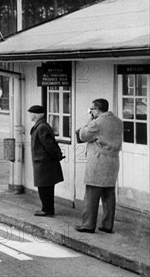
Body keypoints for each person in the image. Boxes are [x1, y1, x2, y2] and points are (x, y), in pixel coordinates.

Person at [75, 98, 123, 234]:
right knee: (109, 193)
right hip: (113, 162)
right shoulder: (118, 121)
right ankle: (107, 225)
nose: (91, 111)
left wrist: (88, 119)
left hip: (98, 162)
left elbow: (82, 135)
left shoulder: (97, 123)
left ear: (97, 109)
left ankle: (88, 225)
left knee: (92, 194)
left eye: (92, 109)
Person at [28, 105, 64, 216]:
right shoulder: (41, 125)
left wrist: (56, 156)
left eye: (30, 113)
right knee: (44, 186)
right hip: (43, 162)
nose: (29, 115)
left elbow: (49, 145)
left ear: (35, 114)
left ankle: (47, 210)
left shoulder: (42, 127)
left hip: (44, 162)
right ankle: (47, 208)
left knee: (44, 187)